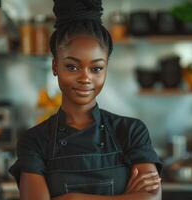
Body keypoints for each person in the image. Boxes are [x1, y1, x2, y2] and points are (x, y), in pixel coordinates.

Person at [9, 0, 162, 199]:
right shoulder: (34, 141)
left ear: (106, 68)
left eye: (96, 68)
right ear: (55, 66)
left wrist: (74, 198)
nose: (85, 78)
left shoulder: (131, 131)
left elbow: (151, 198)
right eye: (72, 67)